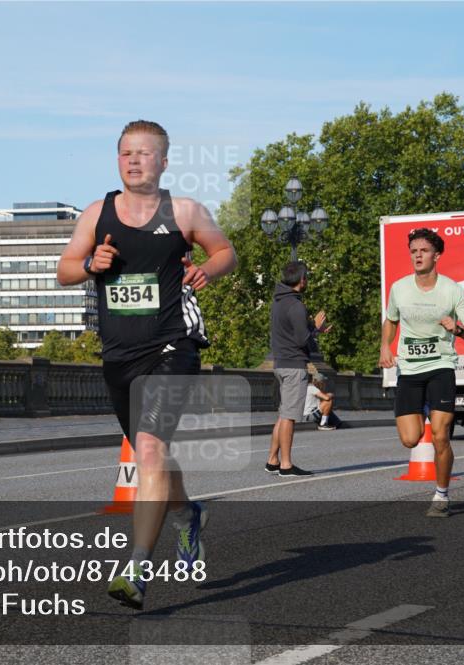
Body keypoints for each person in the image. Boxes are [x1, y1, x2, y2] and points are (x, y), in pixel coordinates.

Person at [57, 120, 236, 610]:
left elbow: (226, 251)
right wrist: (92, 262)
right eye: (126, 153)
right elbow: (65, 269)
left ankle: (136, 570)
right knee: (153, 455)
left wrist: (207, 267)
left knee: (151, 452)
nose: (134, 161)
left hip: (171, 346)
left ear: (163, 161)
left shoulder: (184, 211)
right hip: (119, 356)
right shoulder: (98, 213)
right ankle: (186, 516)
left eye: (144, 153)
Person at [379, 228, 464, 517]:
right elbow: (391, 321)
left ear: (436, 255)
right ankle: (424, 415)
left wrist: (458, 328)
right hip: (410, 370)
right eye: (413, 251)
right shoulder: (399, 288)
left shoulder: (451, 290)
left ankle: (441, 494)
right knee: (410, 439)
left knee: (439, 436)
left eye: (423, 251)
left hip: (441, 367)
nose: (417, 256)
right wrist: (385, 347)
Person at [267, 261, 329, 477]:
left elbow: (293, 331)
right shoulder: (296, 305)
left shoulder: (279, 302)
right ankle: (286, 464)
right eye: (307, 277)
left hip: (281, 363)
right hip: (294, 366)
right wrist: (317, 330)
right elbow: (303, 339)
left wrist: (312, 326)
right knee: (289, 417)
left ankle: (273, 460)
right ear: (302, 280)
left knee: (284, 414)